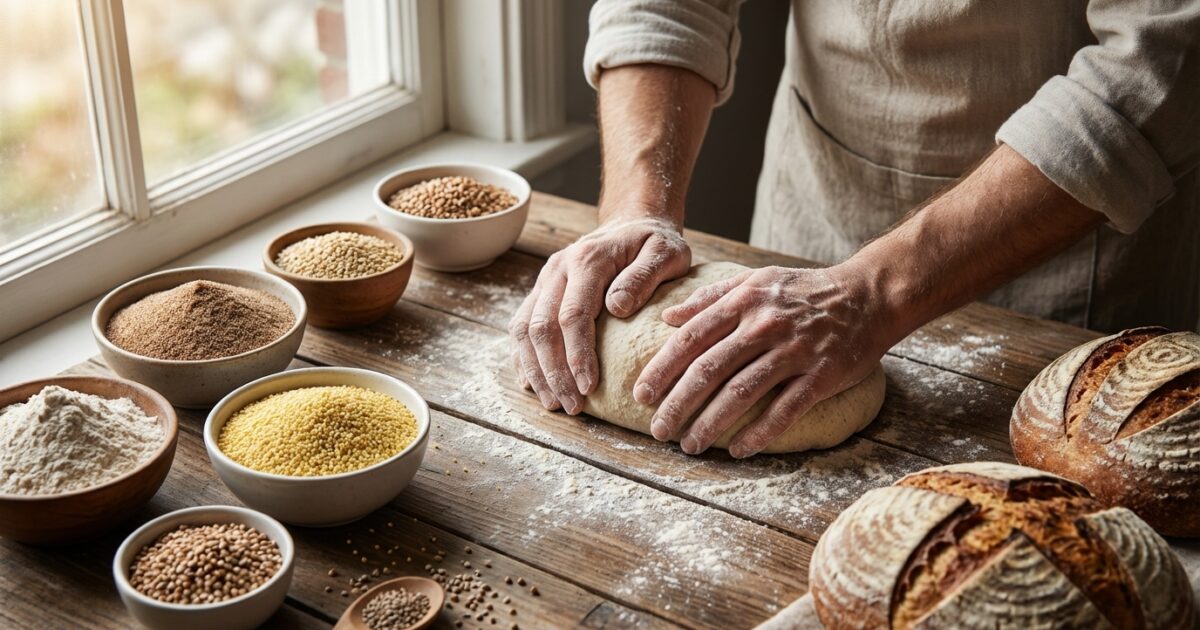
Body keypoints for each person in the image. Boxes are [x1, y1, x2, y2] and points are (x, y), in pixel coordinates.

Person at [508, 1, 1200, 459]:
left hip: (1062, 236)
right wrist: (637, 208)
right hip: (816, 194)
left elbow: (1163, 58)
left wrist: (871, 292)